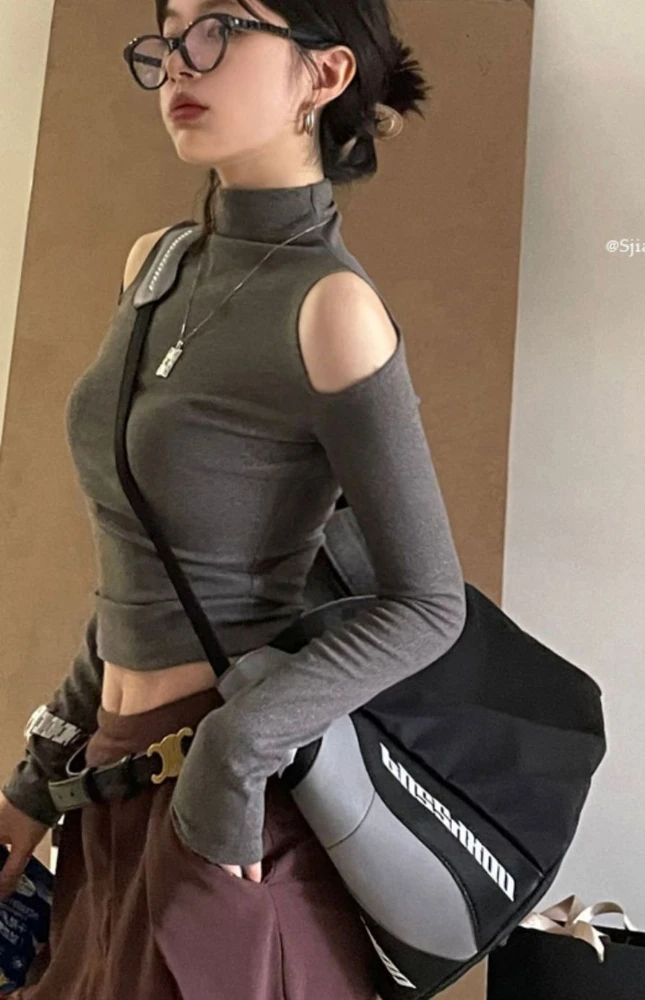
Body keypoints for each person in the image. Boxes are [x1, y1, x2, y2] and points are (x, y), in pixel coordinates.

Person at [0, 0, 467, 997]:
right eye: (169, 34)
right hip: (108, 790)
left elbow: (429, 602)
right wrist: (36, 780)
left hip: (220, 808)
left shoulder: (334, 309)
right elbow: (137, 572)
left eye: (217, 28)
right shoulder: (154, 266)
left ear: (324, 75)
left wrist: (232, 754)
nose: (180, 60)